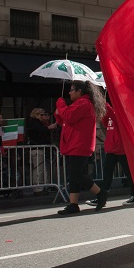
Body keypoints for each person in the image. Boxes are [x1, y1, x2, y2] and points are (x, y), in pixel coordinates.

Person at [54, 80, 108, 215]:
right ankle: (73, 204)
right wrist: (59, 112)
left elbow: (68, 116)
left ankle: (100, 193)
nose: (69, 92)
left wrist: (60, 104)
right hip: (75, 143)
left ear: (79, 92)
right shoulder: (81, 103)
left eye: (72, 90)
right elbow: (65, 120)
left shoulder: (83, 103)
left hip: (79, 144)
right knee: (74, 175)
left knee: (75, 173)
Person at [85, 90, 134, 208]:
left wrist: (102, 102)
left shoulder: (120, 115)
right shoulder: (112, 116)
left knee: (128, 173)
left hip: (121, 148)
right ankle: (102, 196)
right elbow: (105, 121)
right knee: (108, 173)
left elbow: (110, 114)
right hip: (113, 148)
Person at [26, 107, 56, 195]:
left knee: (42, 169)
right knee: (38, 169)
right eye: (41, 114)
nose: (43, 116)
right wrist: (49, 127)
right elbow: (40, 131)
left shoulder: (39, 123)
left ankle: (42, 186)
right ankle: (38, 189)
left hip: (40, 148)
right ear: (36, 115)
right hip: (36, 148)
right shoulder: (34, 122)